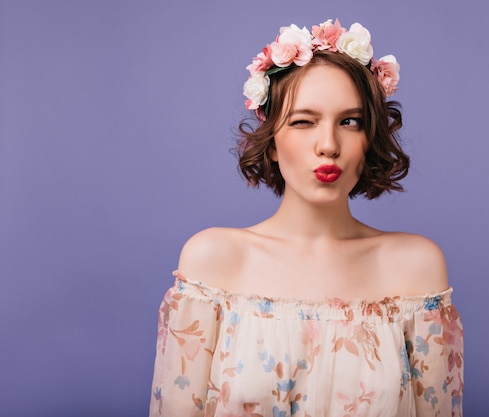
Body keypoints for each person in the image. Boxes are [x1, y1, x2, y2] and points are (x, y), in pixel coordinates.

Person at [150, 19, 463, 417]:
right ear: (273, 142)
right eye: (303, 121)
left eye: (350, 122)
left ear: (370, 139)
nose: (329, 145)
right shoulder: (212, 262)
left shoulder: (415, 269)